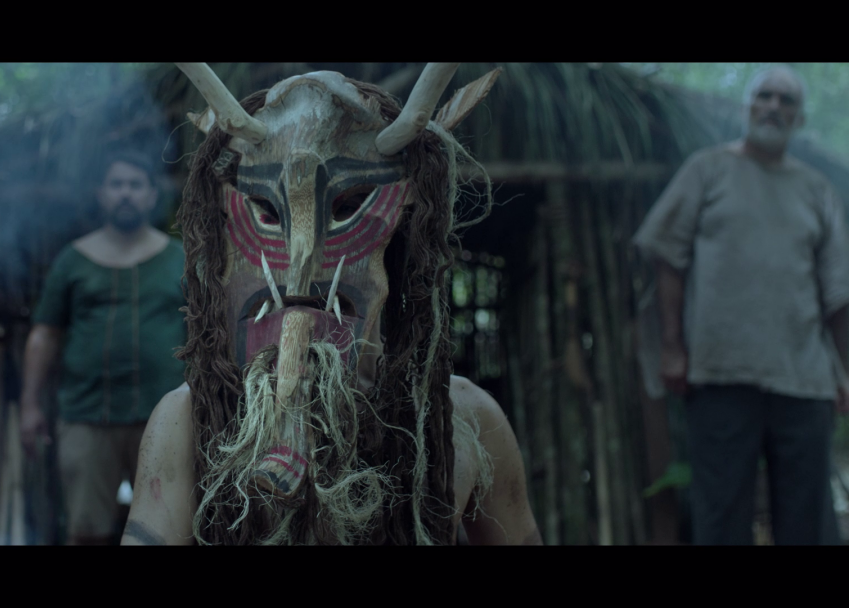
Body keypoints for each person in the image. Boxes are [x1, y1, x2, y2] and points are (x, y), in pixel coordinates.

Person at [122, 63, 541, 545]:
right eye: (267, 210)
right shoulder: (187, 421)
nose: (303, 261)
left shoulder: (465, 418)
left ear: (404, 231)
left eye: (347, 205)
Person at [633, 65, 849, 545]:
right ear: (748, 107)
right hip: (720, 374)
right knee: (722, 517)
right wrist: (672, 346)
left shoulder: (817, 190)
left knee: (809, 524)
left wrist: (844, 372)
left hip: (804, 380)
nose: (774, 106)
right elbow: (667, 256)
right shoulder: (707, 169)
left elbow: (838, 291)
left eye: (786, 100)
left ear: (799, 118)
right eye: (765, 96)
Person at [19, 149, 186, 546]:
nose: (125, 193)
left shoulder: (178, 258)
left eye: (135, 185)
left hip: (167, 418)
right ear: (101, 193)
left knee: (170, 530)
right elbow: (45, 334)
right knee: (86, 530)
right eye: (116, 184)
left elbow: (205, 331)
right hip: (87, 414)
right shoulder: (74, 259)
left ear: (151, 195)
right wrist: (29, 405)